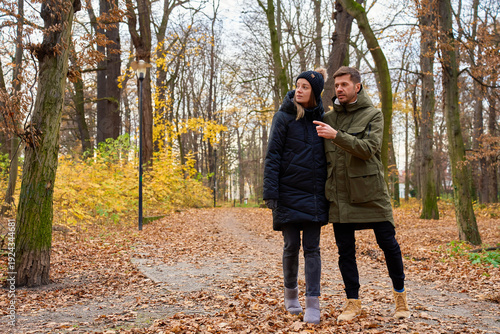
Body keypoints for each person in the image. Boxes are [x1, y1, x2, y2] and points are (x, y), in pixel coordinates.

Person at [313, 66, 410, 322]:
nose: (339, 89)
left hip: (371, 194)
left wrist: (337, 136)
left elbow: (369, 149)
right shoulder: (329, 118)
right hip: (340, 197)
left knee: (389, 246)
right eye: (336, 85)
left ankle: (400, 296)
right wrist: (312, 79)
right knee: (345, 252)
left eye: (344, 84)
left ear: (357, 86)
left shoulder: (373, 114)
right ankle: (353, 303)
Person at [263, 68, 329, 324]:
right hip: (287, 193)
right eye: (297, 85)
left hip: (314, 194)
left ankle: (313, 301)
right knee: (291, 246)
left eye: (305, 87)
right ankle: (291, 294)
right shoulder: (283, 117)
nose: (299, 90)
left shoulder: (323, 118)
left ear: (314, 92)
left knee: (312, 248)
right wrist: (271, 192)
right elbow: (273, 156)